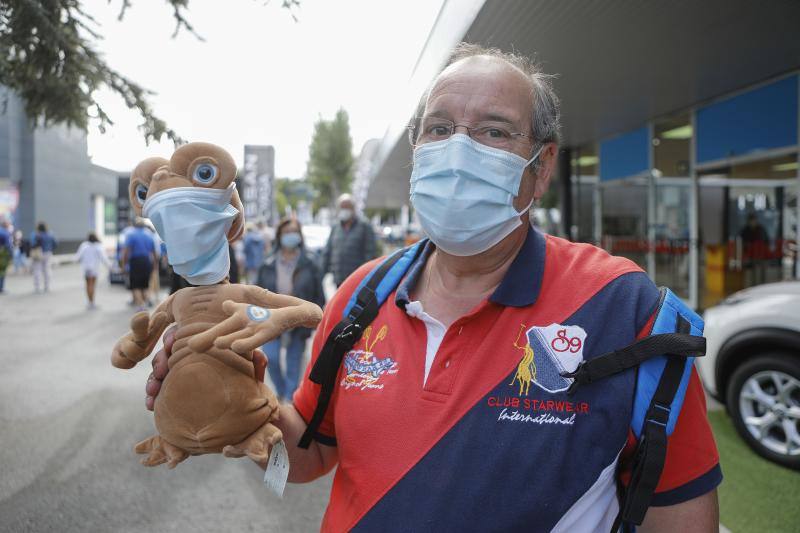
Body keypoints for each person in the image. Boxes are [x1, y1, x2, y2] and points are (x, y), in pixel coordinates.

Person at [146, 44, 720, 532]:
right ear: (418, 152)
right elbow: (310, 453)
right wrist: (239, 401)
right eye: (439, 129)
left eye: (493, 131)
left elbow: (681, 515)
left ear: (541, 168)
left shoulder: (624, 309)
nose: (457, 150)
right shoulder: (360, 297)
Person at [257, 218, 325, 401]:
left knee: (293, 364)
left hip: (299, 322)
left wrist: (315, 318)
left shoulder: (310, 263)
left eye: (294, 231)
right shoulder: (268, 263)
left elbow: (319, 295)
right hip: (271, 319)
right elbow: (257, 293)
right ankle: (281, 392)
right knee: (270, 358)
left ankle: (289, 402)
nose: (290, 235)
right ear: (279, 236)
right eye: (287, 232)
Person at [322, 193, 378, 287]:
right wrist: (322, 272)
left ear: (353, 208)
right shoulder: (336, 227)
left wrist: (365, 274)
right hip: (339, 279)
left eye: (347, 207)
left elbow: (370, 253)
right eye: (342, 207)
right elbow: (328, 251)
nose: (344, 210)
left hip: (358, 279)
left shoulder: (365, 226)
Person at [122, 217, 156, 311]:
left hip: (135, 261)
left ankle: (141, 305)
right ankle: (145, 302)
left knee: (136, 285)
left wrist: (124, 265)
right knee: (145, 284)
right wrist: (155, 265)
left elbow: (126, 251)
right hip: (146, 261)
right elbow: (154, 252)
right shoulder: (149, 234)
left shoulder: (131, 234)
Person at [75, 232, 110, 309]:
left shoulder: (84, 245)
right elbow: (104, 258)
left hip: (86, 269)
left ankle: (90, 302)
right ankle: (92, 302)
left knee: (88, 285)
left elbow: (77, 257)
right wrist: (110, 266)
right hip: (94, 269)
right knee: (92, 285)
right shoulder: (98, 246)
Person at [29, 222, 57, 293]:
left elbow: (33, 244)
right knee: (47, 269)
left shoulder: (37, 235)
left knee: (37, 270)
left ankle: (37, 287)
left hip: (39, 253)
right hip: (48, 253)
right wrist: (50, 248)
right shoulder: (50, 234)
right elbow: (55, 243)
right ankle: (47, 286)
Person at [0, 220, 12, 293]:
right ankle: (1, 288)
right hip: (2, 255)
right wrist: (11, 255)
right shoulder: (5, 233)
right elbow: (8, 245)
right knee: (2, 271)